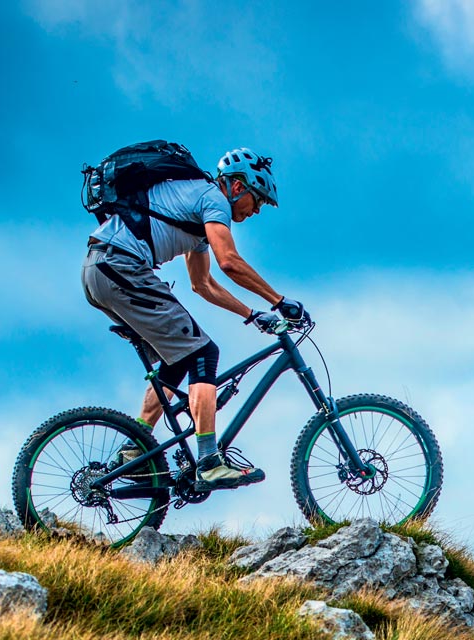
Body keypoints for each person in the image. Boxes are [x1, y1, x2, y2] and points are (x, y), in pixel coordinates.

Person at [81, 147, 309, 490]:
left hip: (101, 270)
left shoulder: (198, 211)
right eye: (256, 199)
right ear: (236, 187)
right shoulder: (211, 198)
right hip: (120, 266)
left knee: (180, 356)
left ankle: (134, 447)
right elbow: (229, 261)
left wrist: (252, 314)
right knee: (204, 353)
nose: (256, 210)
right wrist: (279, 301)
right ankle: (209, 462)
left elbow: (202, 284)